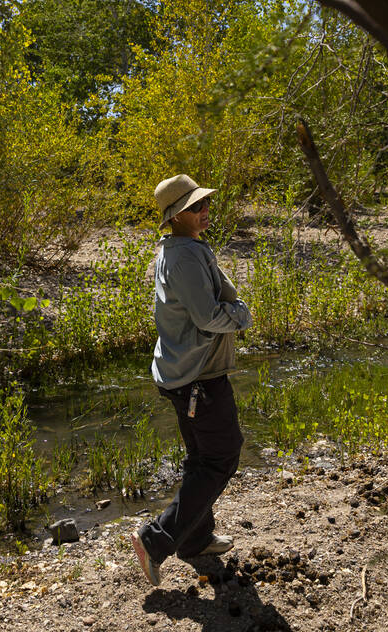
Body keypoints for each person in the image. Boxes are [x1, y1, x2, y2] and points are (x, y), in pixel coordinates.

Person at [131, 174, 252, 587]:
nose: (205, 211)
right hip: (198, 378)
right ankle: (156, 540)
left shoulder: (185, 248)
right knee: (222, 456)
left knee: (203, 457)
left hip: (187, 374)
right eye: (196, 206)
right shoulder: (183, 256)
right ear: (176, 215)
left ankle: (195, 539)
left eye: (204, 204)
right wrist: (242, 315)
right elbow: (209, 317)